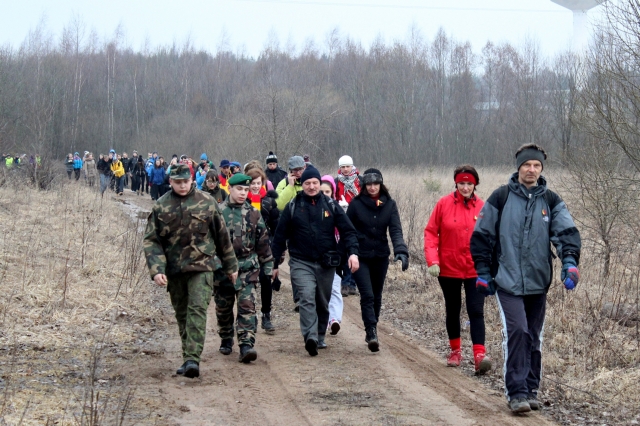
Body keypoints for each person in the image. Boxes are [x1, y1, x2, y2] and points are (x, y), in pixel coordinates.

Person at [470, 144, 581, 413]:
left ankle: (531, 389)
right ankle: (516, 392)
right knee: (517, 331)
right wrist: (484, 272)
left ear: (541, 169)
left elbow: (566, 234)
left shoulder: (551, 201)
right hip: (506, 281)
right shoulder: (501, 197)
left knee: (534, 336)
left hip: (538, 282)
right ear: (518, 167)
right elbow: (482, 236)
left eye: (536, 166)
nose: (531, 170)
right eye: (526, 165)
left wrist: (570, 264)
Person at [143, 164, 238, 378]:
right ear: (171, 182)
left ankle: (192, 359)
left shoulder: (207, 202)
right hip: (175, 270)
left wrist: (231, 266)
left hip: (202, 267)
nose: (182, 186)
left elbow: (222, 237)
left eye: (186, 182)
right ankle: (188, 355)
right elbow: (152, 242)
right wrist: (157, 269)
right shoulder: (161, 206)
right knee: (182, 313)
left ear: (192, 180)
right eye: (178, 182)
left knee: (197, 309)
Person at [271, 166, 359, 356]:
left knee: (322, 300)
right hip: (301, 261)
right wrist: (274, 264)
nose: (311, 186)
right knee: (306, 297)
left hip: (326, 262)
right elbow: (279, 237)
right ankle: (310, 337)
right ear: (302, 185)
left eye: (315, 183)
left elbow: (348, 231)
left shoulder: (330, 205)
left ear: (320, 184)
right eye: (308, 183)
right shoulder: (293, 206)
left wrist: (352, 253)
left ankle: (320, 335)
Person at [424, 165, 491, 374]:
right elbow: (430, 233)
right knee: (453, 309)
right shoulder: (443, 204)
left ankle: (479, 356)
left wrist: (490, 265)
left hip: (475, 268)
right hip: (448, 268)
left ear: (475, 185)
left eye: (469, 183)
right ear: (456, 183)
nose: (465, 187)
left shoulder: (483, 207)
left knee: (476, 310)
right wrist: (432, 261)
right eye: (461, 183)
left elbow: (491, 238)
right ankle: (455, 351)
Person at [347, 168, 408, 352]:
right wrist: (350, 252)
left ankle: (372, 326)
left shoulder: (389, 204)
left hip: (380, 256)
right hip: (360, 256)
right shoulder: (356, 204)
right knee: (367, 295)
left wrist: (401, 251)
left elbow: (395, 230)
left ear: (381, 184)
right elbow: (348, 231)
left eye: (376, 184)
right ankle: (371, 330)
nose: (373, 187)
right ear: (364, 185)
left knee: (377, 295)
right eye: (369, 184)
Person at [216, 173, 274, 363]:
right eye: (239, 189)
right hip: (223, 269)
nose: (243, 193)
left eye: (246, 190)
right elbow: (208, 242)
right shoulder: (217, 213)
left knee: (247, 306)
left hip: (248, 268)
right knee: (223, 308)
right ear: (229, 189)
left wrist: (267, 268)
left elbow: (263, 242)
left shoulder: (253, 213)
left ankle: (246, 344)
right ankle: (226, 338)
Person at [246, 168, 279, 334]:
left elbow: (276, 225)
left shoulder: (269, 201)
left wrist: (278, 249)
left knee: (266, 281)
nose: (255, 186)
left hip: (265, 247)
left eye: (259, 183)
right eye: (252, 183)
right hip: (246, 248)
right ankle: (247, 317)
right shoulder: (242, 201)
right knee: (247, 284)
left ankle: (266, 314)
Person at [335, 155, 361, 297]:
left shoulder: (360, 181)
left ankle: (352, 283)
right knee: (344, 251)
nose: (345, 169)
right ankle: (345, 282)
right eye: (342, 167)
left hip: (358, 219)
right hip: (342, 219)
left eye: (347, 166)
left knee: (356, 251)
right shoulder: (336, 182)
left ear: (352, 166)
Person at [320, 175, 343, 336]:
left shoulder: (339, 209)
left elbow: (348, 232)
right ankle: (321, 320)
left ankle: (334, 319)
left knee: (335, 289)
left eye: (327, 191)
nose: (324, 194)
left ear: (333, 192)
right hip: (316, 258)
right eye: (322, 191)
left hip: (335, 258)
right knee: (320, 292)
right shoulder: (310, 208)